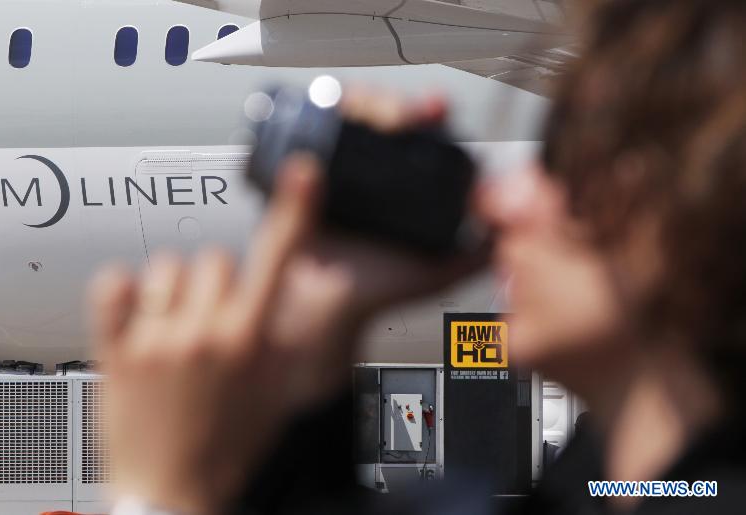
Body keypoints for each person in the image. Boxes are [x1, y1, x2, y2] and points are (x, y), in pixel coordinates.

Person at [88, 0, 746, 513]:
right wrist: (318, 347)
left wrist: (160, 493)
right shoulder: (612, 486)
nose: (503, 199)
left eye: (562, 163)